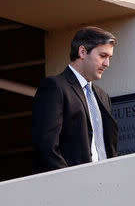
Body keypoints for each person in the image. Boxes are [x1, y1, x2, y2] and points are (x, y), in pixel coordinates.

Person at [32, 26, 118, 171]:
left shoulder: (103, 97)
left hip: (105, 184)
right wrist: (71, 182)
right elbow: (46, 147)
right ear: (82, 52)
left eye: (109, 58)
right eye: (103, 56)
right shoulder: (55, 87)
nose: (107, 64)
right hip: (74, 186)